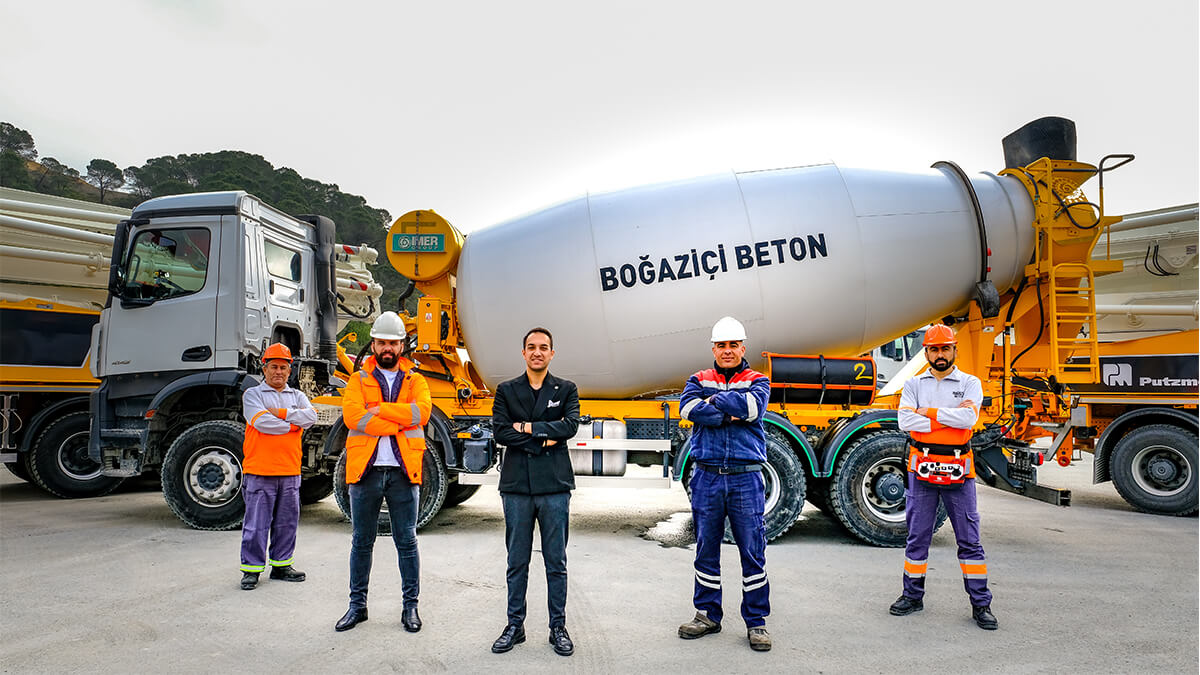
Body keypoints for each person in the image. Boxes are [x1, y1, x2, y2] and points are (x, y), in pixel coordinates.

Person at [889, 323, 997, 630]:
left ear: (954, 350)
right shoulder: (913, 384)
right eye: (934, 349)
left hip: (959, 468)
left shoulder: (970, 383)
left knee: (969, 539)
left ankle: (981, 604)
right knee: (917, 536)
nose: (939, 354)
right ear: (926, 351)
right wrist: (947, 419)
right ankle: (912, 596)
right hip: (920, 466)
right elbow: (905, 422)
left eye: (945, 348)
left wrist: (930, 413)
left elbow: (968, 420)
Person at [677, 316, 773, 652]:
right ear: (713, 349)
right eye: (722, 345)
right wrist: (726, 411)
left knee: (752, 550)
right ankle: (707, 614)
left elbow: (752, 407)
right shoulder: (697, 378)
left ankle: (757, 622)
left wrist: (714, 403)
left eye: (733, 345)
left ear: (743, 347)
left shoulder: (758, 379)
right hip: (707, 475)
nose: (728, 351)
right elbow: (688, 408)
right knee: (706, 548)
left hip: (746, 476)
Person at [335, 311, 432, 633]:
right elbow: (353, 417)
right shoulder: (358, 380)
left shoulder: (416, 380)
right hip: (366, 473)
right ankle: (356, 606)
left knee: (407, 541)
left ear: (402, 345)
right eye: (381, 343)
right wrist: (399, 422)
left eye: (392, 343)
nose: (387, 348)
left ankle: (411, 608)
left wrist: (378, 411)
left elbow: (423, 412)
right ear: (373, 344)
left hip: (404, 473)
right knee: (362, 542)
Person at [489, 327, 581, 657]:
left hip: (554, 486)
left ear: (552, 353)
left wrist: (526, 427)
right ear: (524, 352)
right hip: (516, 487)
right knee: (517, 561)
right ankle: (515, 626)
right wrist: (545, 437)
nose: (537, 352)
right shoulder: (507, 390)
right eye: (531, 347)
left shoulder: (566, 389)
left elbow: (570, 426)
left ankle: (558, 626)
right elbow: (500, 431)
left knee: (556, 561)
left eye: (544, 347)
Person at [239, 342, 318, 590]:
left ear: (289, 370)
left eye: (283, 367)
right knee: (256, 524)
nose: (279, 372)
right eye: (274, 366)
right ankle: (251, 570)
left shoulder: (298, 396)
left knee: (287, 522)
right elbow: (262, 423)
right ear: (264, 368)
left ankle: (282, 566)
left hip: (289, 471)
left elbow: (311, 417)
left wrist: (280, 413)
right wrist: (292, 422)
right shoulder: (253, 395)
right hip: (260, 470)